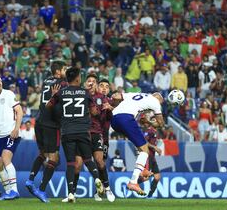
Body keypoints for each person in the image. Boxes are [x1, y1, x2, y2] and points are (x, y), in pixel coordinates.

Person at [46, 67, 104, 203]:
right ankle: (96, 178)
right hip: (83, 131)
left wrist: (54, 96)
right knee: (88, 159)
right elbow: (95, 112)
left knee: (71, 163)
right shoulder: (85, 93)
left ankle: (71, 194)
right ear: (78, 78)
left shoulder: (61, 92)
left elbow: (48, 106)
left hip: (67, 131)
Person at [25, 61, 68, 202]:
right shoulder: (62, 83)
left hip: (39, 121)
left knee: (42, 154)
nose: (66, 71)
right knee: (54, 158)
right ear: (58, 72)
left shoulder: (46, 80)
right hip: (51, 124)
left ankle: (30, 180)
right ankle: (42, 190)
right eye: (64, 69)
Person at [111, 92, 166, 195]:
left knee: (140, 146)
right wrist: (149, 122)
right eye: (160, 103)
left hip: (114, 120)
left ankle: (143, 169)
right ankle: (133, 182)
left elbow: (115, 96)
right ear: (158, 99)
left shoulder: (136, 94)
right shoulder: (155, 101)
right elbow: (161, 124)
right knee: (145, 150)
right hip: (126, 118)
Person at [73, 74, 115, 202]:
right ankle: (71, 193)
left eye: (93, 81)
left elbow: (104, 118)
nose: (91, 83)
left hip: (98, 133)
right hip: (81, 133)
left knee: (100, 162)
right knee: (77, 165)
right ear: (85, 83)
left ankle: (106, 189)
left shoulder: (103, 99)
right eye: (89, 81)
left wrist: (110, 109)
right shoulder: (79, 94)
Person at [141, 125, 162, 198]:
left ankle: (149, 196)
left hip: (152, 158)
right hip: (148, 157)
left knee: (157, 177)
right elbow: (144, 142)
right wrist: (155, 147)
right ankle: (129, 186)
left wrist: (156, 149)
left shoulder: (156, 132)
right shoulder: (149, 131)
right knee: (145, 177)